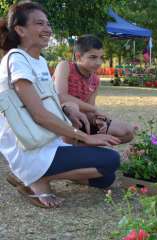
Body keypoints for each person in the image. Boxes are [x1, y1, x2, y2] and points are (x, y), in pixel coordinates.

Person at [0, 1, 121, 208]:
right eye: (39, 24)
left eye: (48, 23)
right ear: (20, 29)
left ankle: (39, 175)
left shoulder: (38, 60)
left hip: (49, 143)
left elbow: (47, 101)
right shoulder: (17, 59)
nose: (47, 29)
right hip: (30, 149)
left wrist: (67, 109)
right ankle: (36, 179)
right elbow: (39, 115)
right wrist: (85, 138)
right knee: (111, 160)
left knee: (105, 178)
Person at [53, 35, 134, 144]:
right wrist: (93, 109)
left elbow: (89, 111)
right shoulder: (65, 66)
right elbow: (61, 97)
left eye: (101, 57)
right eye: (93, 57)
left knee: (128, 132)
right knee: (72, 107)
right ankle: (68, 146)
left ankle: (84, 145)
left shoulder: (95, 80)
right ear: (78, 57)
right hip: (60, 119)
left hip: (82, 122)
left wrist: (98, 120)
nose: (99, 62)